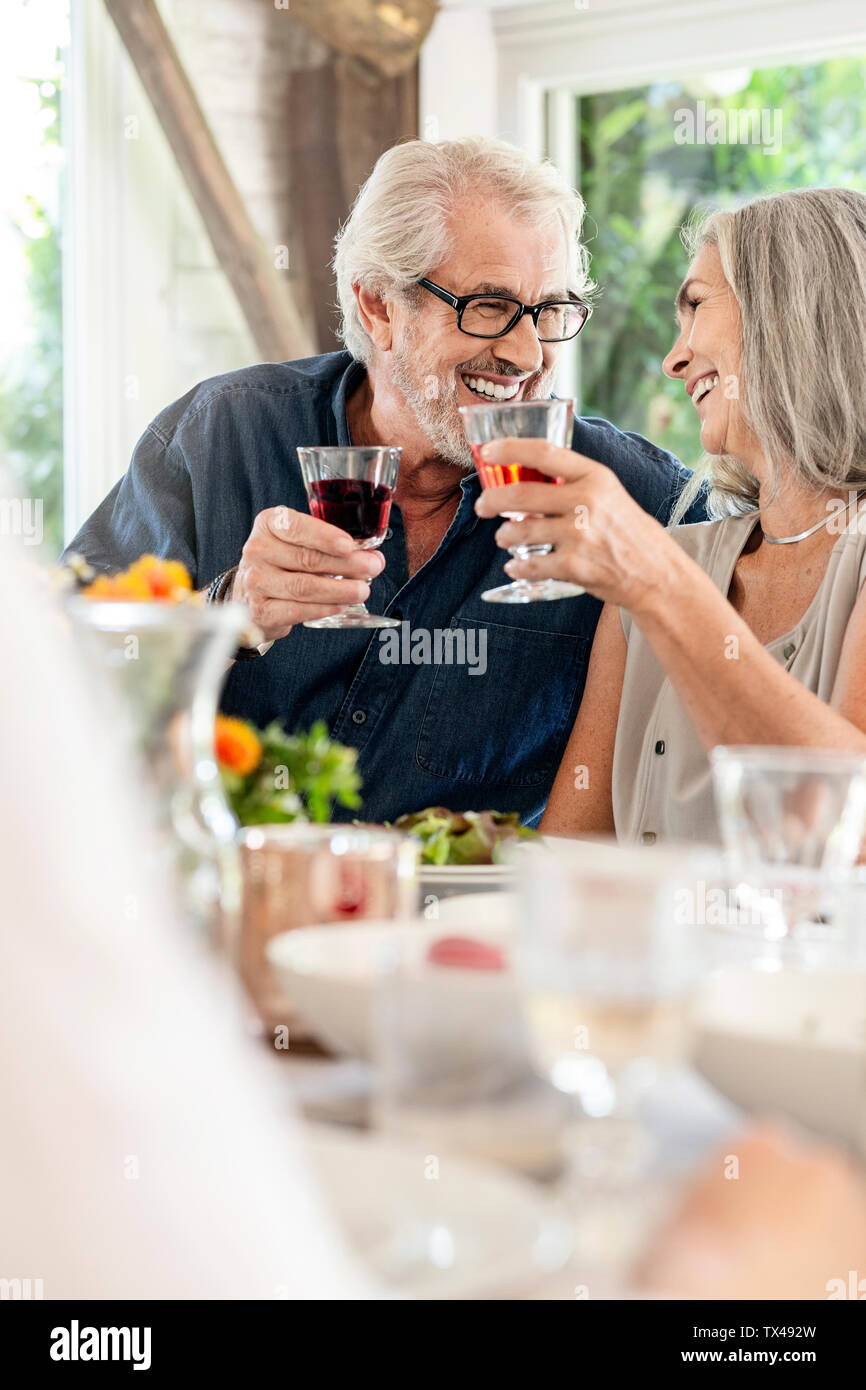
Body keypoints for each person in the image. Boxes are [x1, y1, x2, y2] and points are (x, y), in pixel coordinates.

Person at [65, 136, 705, 827]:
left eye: (549, 312)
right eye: (488, 307)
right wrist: (228, 612)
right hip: (229, 907)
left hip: (467, 927)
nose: (527, 354)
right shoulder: (218, 436)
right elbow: (60, 683)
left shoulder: (627, 493)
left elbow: (770, 599)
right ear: (378, 307)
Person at [469, 188, 866, 843]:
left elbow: (843, 840)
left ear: (794, 310)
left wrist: (655, 582)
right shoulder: (671, 563)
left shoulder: (657, 574)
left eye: (696, 305)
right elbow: (571, 858)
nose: (673, 360)